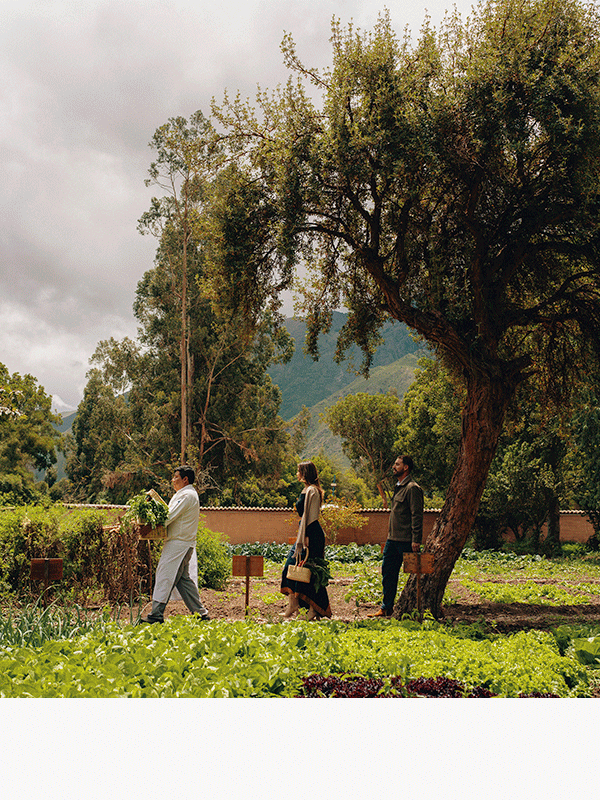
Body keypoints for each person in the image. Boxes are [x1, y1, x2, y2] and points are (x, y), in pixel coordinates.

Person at [140, 465, 210, 624]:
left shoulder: (186, 496)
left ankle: (156, 614)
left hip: (178, 544)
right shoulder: (185, 495)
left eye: (175, 477)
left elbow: (168, 517)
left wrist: (149, 524)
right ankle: (201, 614)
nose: (172, 480)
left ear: (185, 479)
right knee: (183, 580)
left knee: (165, 575)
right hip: (181, 543)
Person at [371, 455, 423, 618]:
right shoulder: (398, 487)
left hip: (407, 541)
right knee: (388, 573)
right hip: (392, 540)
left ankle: (422, 608)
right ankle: (387, 607)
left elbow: (416, 515)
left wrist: (416, 539)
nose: (394, 467)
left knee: (416, 576)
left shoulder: (412, 488)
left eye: (397, 464)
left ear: (405, 467)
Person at [280, 461, 332, 620]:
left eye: (299, 471)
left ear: (304, 473)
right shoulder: (307, 489)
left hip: (311, 533)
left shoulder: (313, 491)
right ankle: (293, 604)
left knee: (310, 573)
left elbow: (312, 516)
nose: (297, 474)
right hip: (305, 533)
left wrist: (306, 537)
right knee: (291, 567)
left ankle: (313, 609)